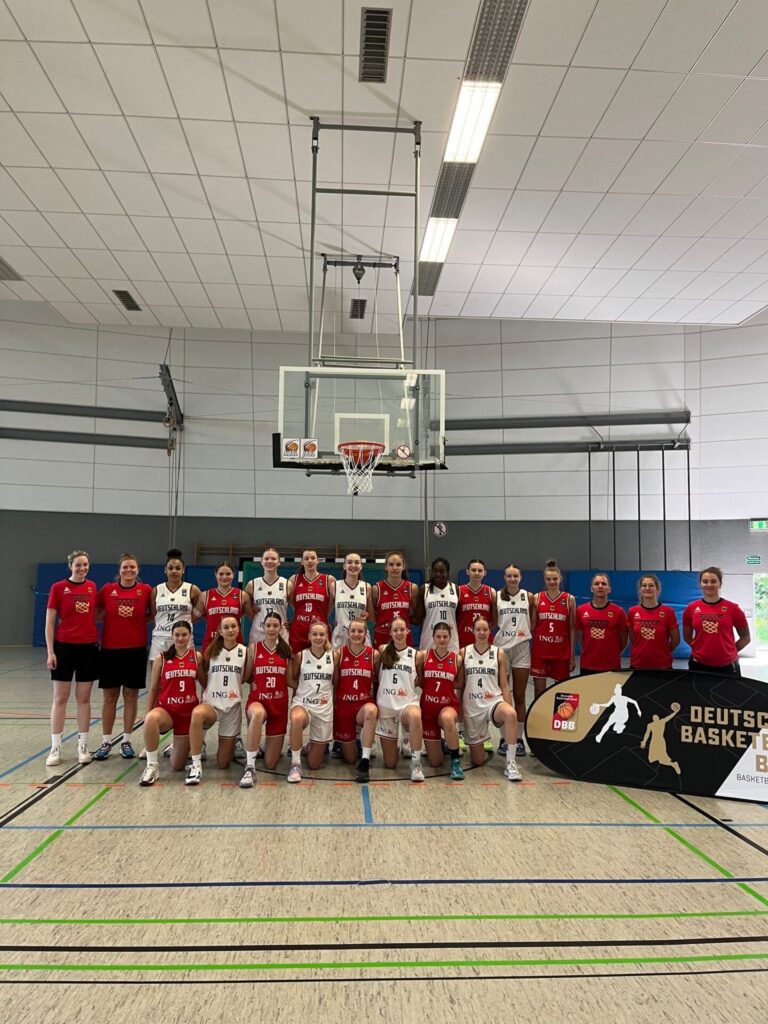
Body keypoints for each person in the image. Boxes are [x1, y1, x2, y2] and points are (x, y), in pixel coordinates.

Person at [94, 553, 152, 760]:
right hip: (110, 650)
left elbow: (153, 614)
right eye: (125, 567)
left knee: (130, 696)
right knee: (110, 697)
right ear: (119, 570)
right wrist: (111, 618)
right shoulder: (107, 590)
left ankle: (126, 740)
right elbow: (96, 612)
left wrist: (137, 622)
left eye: (132, 567)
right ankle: (106, 741)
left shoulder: (146, 590)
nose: (129, 570)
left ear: (138, 570)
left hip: (136, 650)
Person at [44, 549, 100, 766]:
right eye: (78, 565)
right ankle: (55, 748)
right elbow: (50, 622)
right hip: (64, 648)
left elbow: (97, 614)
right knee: (60, 698)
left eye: (85, 564)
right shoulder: (58, 588)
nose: (82, 568)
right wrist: (51, 651)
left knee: (84, 698)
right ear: (70, 566)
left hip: (88, 648)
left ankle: (83, 746)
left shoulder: (92, 586)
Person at [186, 615, 251, 785]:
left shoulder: (245, 652)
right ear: (220, 631)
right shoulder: (211, 651)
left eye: (233, 626)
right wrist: (209, 691)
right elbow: (203, 676)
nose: (230, 630)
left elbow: (245, 677)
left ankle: (229, 745)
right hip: (212, 704)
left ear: (238, 629)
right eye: (226, 627)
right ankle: (196, 765)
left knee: (223, 763)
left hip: (232, 707)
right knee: (197, 713)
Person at [459, 616, 521, 781]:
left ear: (490, 631)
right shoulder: (464, 652)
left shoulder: (498, 653)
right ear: (473, 631)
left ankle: (511, 763)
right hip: (472, 706)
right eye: (478, 630)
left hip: (493, 702)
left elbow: (504, 685)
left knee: (510, 715)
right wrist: (460, 711)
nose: (482, 633)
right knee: (478, 761)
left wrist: (509, 707)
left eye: (485, 629)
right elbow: (461, 685)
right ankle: (480, 742)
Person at [139, 620, 201, 786]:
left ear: (190, 636)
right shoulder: (162, 658)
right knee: (151, 719)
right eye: (177, 635)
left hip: (187, 715)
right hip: (167, 711)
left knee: (177, 765)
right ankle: (152, 766)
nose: (180, 638)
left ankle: (174, 747)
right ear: (172, 636)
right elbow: (153, 689)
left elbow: (205, 682)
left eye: (184, 635)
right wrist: (148, 713)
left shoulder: (197, 657)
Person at [240, 610, 294, 788]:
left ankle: (263, 748)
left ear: (281, 628)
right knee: (257, 714)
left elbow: (290, 680)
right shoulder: (254, 648)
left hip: (279, 706)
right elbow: (247, 676)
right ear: (262, 627)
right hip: (258, 701)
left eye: (275, 626)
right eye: (268, 625)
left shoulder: (287, 650)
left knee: (271, 763)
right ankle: (250, 767)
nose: (271, 629)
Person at [375, 616, 425, 782]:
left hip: (406, 705)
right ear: (390, 632)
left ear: (408, 631)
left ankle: (416, 764)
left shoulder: (416, 655)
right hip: (386, 708)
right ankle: (396, 743)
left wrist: (404, 689)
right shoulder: (382, 650)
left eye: (402, 630)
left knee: (415, 715)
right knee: (390, 764)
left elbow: (419, 679)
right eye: (395, 630)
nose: (399, 633)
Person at [494, 563, 534, 758]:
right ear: (504, 577)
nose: (512, 579)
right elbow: (493, 621)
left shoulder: (529, 596)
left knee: (519, 696)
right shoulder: (496, 597)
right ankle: (504, 739)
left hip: (522, 648)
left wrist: (523, 634)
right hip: (502, 649)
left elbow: (533, 621)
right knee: (503, 697)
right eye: (509, 576)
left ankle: (518, 739)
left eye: (515, 576)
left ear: (520, 577)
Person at [287, 621, 334, 782]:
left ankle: (309, 747)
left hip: (323, 708)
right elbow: (291, 680)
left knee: (314, 764)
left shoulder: (334, 656)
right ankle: (295, 763)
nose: (318, 637)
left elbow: (336, 681)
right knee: (297, 718)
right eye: (314, 634)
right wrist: (304, 689)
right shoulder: (301, 656)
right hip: (303, 703)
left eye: (321, 634)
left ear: (327, 636)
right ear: (309, 636)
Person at [333, 619, 379, 783]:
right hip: (344, 708)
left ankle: (365, 760)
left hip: (363, 705)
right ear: (348, 633)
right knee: (350, 759)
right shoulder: (338, 654)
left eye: (360, 631)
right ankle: (355, 743)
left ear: (366, 634)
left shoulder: (374, 655)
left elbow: (377, 680)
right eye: (353, 631)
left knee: (371, 711)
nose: (356, 634)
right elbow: (335, 682)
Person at [683, 567, 750, 675]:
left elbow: (746, 637)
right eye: (705, 581)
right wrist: (699, 649)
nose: (709, 585)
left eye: (713, 581)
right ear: (700, 584)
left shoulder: (733, 608)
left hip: (727, 665)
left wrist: (730, 652)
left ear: (720, 584)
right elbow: (687, 636)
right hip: (698, 664)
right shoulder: (691, 608)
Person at [420, 622, 463, 780]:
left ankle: (455, 761)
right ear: (433, 637)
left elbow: (460, 683)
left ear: (450, 638)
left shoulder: (457, 659)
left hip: (448, 706)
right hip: (428, 711)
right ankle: (445, 744)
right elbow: (420, 680)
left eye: (445, 636)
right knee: (435, 762)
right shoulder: (423, 656)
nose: (442, 639)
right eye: (438, 636)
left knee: (447, 718)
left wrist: (445, 685)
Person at [531, 560, 575, 697]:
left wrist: (572, 655)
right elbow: (532, 626)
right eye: (549, 579)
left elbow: (572, 629)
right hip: (540, 652)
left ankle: (558, 713)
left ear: (560, 579)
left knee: (562, 693)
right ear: (544, 580)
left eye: (555, 579)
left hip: (561, 653)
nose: (552, 582)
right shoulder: (537, 598)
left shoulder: (569, 599)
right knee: (539, 692)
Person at [148, 548, 200, 662]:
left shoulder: (192, 589)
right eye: (170, 568)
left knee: (186, 671)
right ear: (165, 570)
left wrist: (186, 624)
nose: (174, 571)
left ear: (183, 570)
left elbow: (198, 614)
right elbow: (153, 615)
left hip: (184, 639)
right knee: (157, 671)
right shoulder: (156, 590)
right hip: (160, 639)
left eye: (178, 568)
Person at [575, 573, 628, 675]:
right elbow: (580, 636)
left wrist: (614, 653)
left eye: (603, 584)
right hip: (587, 664)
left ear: (609, 589)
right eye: (596, 583)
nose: (600, 586)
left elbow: (624, 638)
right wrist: (590, 649)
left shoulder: (619, 611)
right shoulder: (581, 610)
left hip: (611, 665)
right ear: (592, 588)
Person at [287, 549, 335, 654]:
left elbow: (332, 604)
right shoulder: (294, 579)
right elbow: (290, 602)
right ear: (302, 561)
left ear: (318, 561)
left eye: (313, 558)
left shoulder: (328, 579)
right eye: (306, 558)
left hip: (320, 631)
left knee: (322, 661)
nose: (310, 561)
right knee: (296, 661)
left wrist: (322, 615)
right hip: (299, 631)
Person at [627, 575, 680, 670]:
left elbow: (676, 640)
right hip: (638, 663)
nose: (647, 588)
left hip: (662, 665)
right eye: (644, 585)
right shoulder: (632, 611)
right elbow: (633, 638)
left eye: (651, 585)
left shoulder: (668, 612)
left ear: (657, 589)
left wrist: (664, 652)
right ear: (640, 590)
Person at [370, 550, 420, 648]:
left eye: (398, 564)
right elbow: (373, 617)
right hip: (382, 634)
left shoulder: (412, 588)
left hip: (403, 635)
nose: (395, 568)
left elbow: (415, 614)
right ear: (386, 567)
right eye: (391, 564)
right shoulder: (376, 589)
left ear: (403, 566)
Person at [195, 562, 247, 652]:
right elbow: (194, 617)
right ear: (216, 575)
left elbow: (253, 615)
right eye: (221, 574)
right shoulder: (205, 595)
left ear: (233, 575)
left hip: (235, 642)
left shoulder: (242, 595)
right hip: (211, 641)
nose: (224, 577)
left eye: (228, 574)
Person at [245, 547, 288, 646]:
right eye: (266, 558)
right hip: (258, 634)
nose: (269, 561)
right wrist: (256, 616)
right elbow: (246, 607)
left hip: (280, 634)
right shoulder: (252, 584)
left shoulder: (287, 584)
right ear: (261, 561)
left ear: (279, 562)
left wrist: (291, 623)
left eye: (273, 559)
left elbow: (297, 607)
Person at [418, 558, 459, 652]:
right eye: (435, 571)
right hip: (429, 638)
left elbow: (459, 616)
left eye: (442, 571)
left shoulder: (455, 589)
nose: (438, 574)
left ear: (447, 572)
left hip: (451, 639)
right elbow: (418, 617)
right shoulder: (424, 589)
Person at [331, 552, 370, 648]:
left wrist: (367, 615)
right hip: (340, 635)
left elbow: (371, 615)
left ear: (361, 566)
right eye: (349, 562)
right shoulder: (335, 585)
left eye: (357, 562)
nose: (353, 565)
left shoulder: (367, 587)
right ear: (344, 566)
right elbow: (326, 611)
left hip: (359, 635)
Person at [456, 559, 496, 649]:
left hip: (485, 640)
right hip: (463, 639)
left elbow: (495, 619)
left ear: (485, 573)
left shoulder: (491, 592)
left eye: (480, 570)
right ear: (467, 572)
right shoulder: (459, 591)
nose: (477, 573)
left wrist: (484, 629)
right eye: (473, 570)